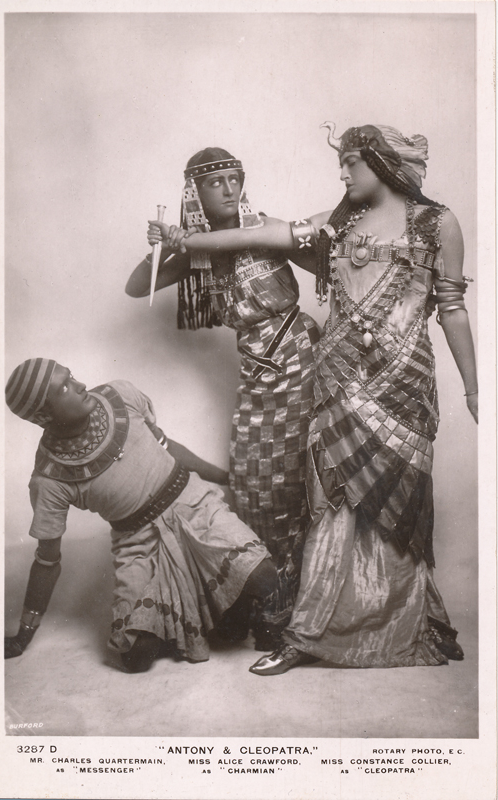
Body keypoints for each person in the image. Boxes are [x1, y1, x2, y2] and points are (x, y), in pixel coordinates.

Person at [153, 124, 477, 675]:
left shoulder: (437, 221)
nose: (344, 174)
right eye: (342, 165)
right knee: (330, 500)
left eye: (352, 163)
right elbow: (259, 236)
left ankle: (412, 618)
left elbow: (452, 308)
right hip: (337, 377)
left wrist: (474, 387)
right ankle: (310, 631)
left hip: (405, 381)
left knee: (398, 502)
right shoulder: (337, 225)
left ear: (381, 162)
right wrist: (186, 241)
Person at [126, 148, 321, 650]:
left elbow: (325, 261)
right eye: (217, 183)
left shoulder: (265, 228)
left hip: (298, 365)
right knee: (253, 482)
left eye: (236, 179)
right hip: (259, 377)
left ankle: (293, 604)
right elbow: (134, 287)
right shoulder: (200, 250)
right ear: (195, 192)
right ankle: (262, 595)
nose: (230, 189)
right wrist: (164, 247)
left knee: (290, 481)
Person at [4, 358, 278, 673]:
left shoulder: (120, 395)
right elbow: (47, 560)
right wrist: (23, 634)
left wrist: (225, 477)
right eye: (64, 388)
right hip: (140, 544)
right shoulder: (49, 479)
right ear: (43, 416)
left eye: (71, 375)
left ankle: (227, 612)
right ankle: (194, 616)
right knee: (134, 656)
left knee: (263, 576)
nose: (79, 385)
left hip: (194, 505)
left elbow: (167, 447)